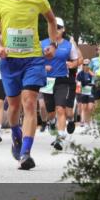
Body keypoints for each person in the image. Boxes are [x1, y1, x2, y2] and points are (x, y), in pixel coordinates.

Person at [0, 0, 58, 171]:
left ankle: (26, 153)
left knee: (29, 102)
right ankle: (16, 134)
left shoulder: (39, 1)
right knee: (14, 105)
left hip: (34, 59)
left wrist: (52, 44)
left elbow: (52, 21)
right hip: (10, 61)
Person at [40, 18, 82, 152]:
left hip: (62, 81)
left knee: (60, 109)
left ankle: (59, 138)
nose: (56, 30)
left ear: (63, 30)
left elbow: (77, 60)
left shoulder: (68, 46)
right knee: (50, 111)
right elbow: (35, 60)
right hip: (47, 81)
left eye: (58, 27)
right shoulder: (42, 43)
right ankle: (51, 123)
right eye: (53, 27)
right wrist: (43, 66)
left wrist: (72, 64)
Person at [76, 58, 95, 128]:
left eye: (87, 64)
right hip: (83, 92)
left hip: (91, 92)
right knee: (84, 107)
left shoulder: (92, 72)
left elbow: (96, 79)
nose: (86, 66)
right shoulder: (80, 74)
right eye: (84, 64)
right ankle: (83, 121)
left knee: (90, 107)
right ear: (82, 65)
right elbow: (78, 83)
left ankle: (89, 121)